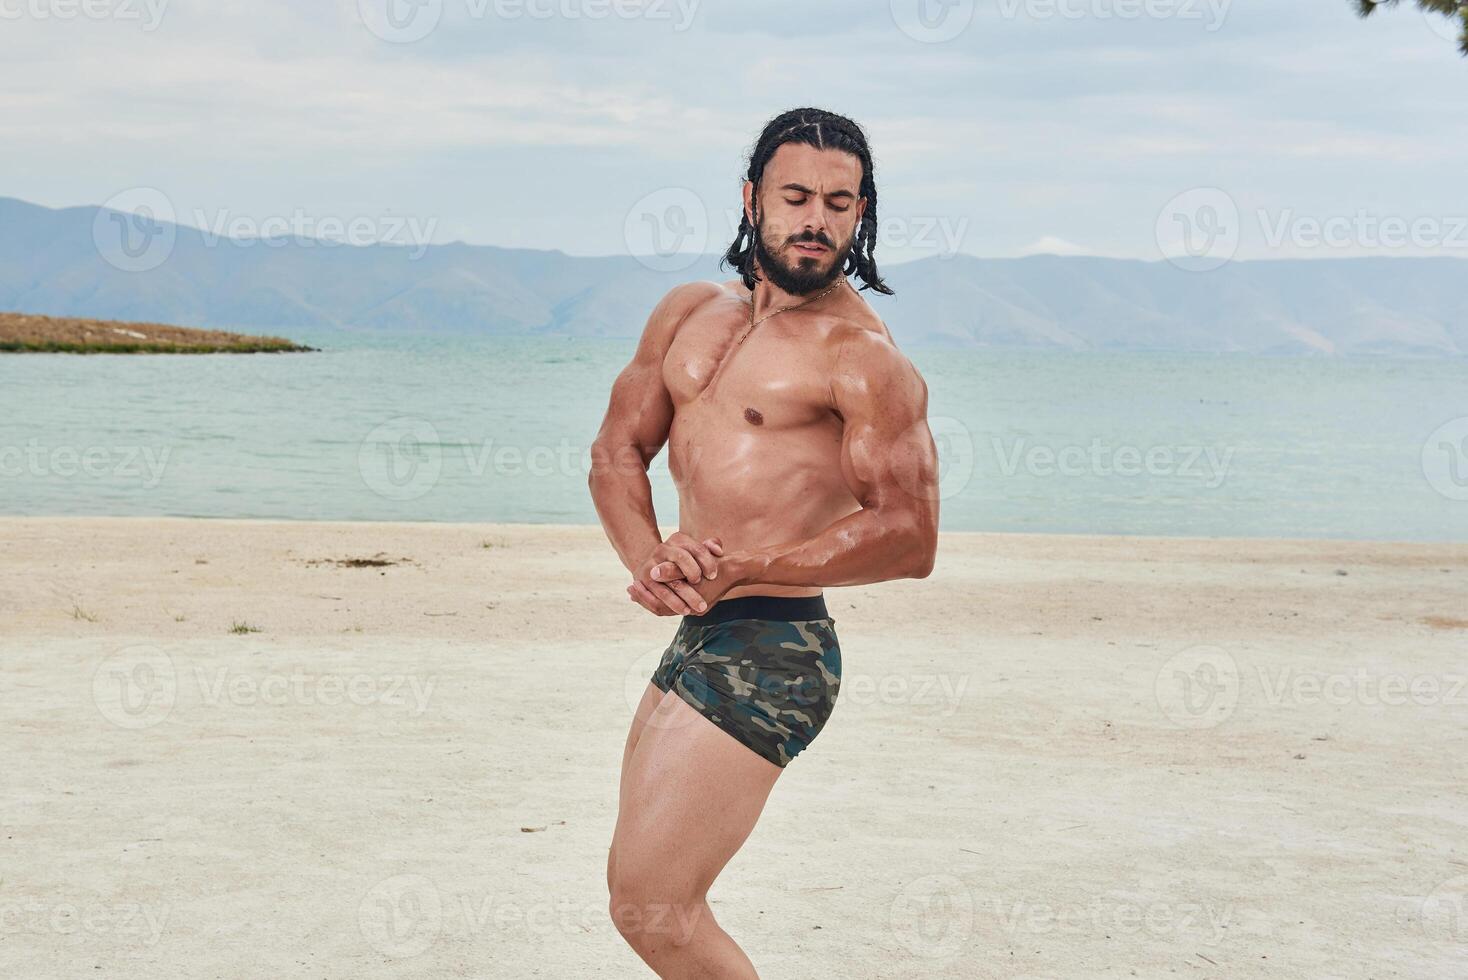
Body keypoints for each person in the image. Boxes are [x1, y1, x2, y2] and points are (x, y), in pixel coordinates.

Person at [588, 106, 940, 978]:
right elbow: (616, 452)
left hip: (777, 644)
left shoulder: (860, 355)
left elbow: (909, 534)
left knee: (654, 908)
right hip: (699, 630)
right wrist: (650, 557)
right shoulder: (687, 314)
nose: (816, 220)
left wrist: (749, 565)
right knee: (639, 900)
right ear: (752, 198)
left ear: (862, 214)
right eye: (795, 196)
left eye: (839, 202)